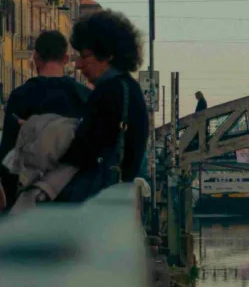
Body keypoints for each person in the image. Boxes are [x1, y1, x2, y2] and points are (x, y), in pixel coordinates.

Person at [58, 11, 149, 201]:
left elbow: (85, 148)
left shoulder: (109, 92)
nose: (78, 65)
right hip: (118, 194)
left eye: (85, 56)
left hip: (97, 197)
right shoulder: (129, 89)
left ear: (107, 54)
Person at [0, 30, 91, 207]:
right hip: (72, 196)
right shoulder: (84, 96)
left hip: (29, 194)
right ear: (66, 59)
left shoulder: (20, 96)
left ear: (35, 58)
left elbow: (8, 152)